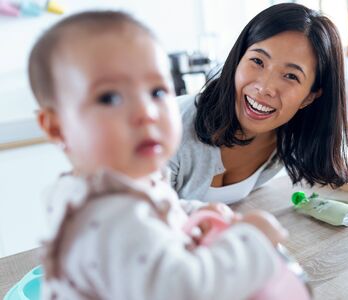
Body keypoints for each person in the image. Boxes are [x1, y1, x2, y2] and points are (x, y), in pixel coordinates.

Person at [29, 11, 288, 299]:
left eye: (156, 92)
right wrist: (253, 243)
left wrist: (192, 211)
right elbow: (185, 290)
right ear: (57, 127)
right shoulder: (109, 215)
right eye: (110, 98)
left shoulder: (119, 182)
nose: (147, 113)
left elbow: (155, 210)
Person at [169, 3, 348, 204]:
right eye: (258, 61)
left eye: (291, 76)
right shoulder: (171, 130)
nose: (265, 87)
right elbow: (138, 217)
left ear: (309, 97)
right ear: (239, 58)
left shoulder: (284, 142)